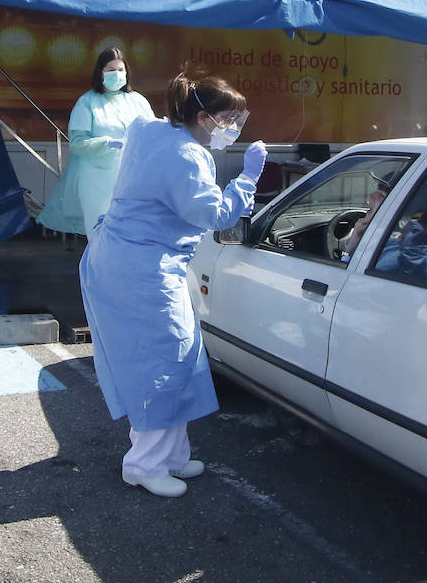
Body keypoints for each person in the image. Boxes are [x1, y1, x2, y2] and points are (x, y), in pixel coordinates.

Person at [78, 67, 267, 497]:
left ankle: (172, 456)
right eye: (230, 121)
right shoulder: (188, 157)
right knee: (160, 363)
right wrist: (248, 179)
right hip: (143, 271)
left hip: (121, 260)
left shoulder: (148, 129)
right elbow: (212, 215)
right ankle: (143, 465)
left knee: (180, 357)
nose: (234, 130)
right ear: (204, 119)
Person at [37, 47, 153, 236]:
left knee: (131, 233)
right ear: (100, 72)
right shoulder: (87, 102)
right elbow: (77, 142)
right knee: (99, 232)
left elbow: (151, 135)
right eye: (110, 70)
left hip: (132, 178)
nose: (116, 74)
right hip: (96, 180)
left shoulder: (138, 101)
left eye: (120, 70)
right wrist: (106, 143)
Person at [374, 208, 427, 281]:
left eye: (423, 221)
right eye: (414, 218)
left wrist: (410, 246)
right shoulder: (388, 239)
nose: (415, 222)